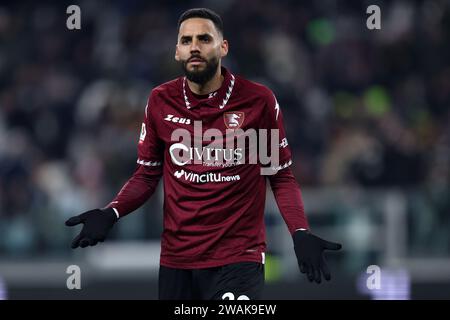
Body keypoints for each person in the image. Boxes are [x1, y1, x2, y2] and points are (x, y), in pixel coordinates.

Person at [65, 8, 342, 300]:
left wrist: (299, 231)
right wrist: (112, 212)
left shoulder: (258, 101)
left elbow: (281, 177)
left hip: (239, 258)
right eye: (186, 41)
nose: (194, 47)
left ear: (223, 47)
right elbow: (147, 175)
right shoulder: (160, 101)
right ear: (177, 52)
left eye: (204, 39)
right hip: (177, 261)